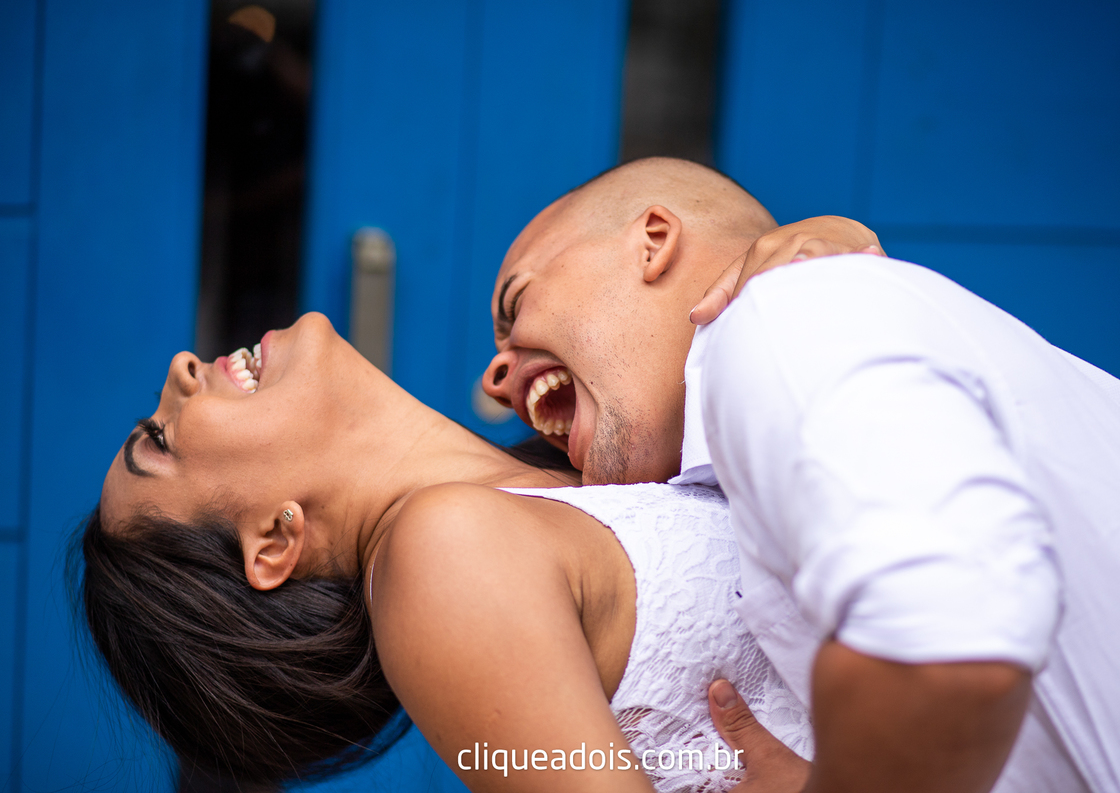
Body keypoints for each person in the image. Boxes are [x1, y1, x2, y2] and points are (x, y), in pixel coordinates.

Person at [482, 157, 1120, 792]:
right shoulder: (813, 347)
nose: (496, 377)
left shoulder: (785, 320)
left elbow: (945, 644)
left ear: (654, 241)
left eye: (515, 304)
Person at [80, 311, 818, 793]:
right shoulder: (442, 557)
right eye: (161, 440)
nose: (180, 367)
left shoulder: (577, 454)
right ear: (275, 540)